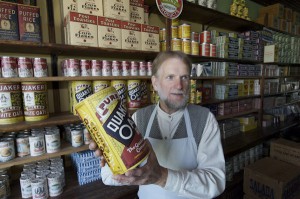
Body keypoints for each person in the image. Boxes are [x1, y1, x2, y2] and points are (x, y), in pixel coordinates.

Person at [88, 51, 226, 199]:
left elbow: (215, 182)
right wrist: (110, 155)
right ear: (155, 83)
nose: (179, 85)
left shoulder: (204, 119)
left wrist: (162, 177)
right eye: (170, 77)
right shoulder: (139, 118)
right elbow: (110, 178)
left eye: (184, 77)